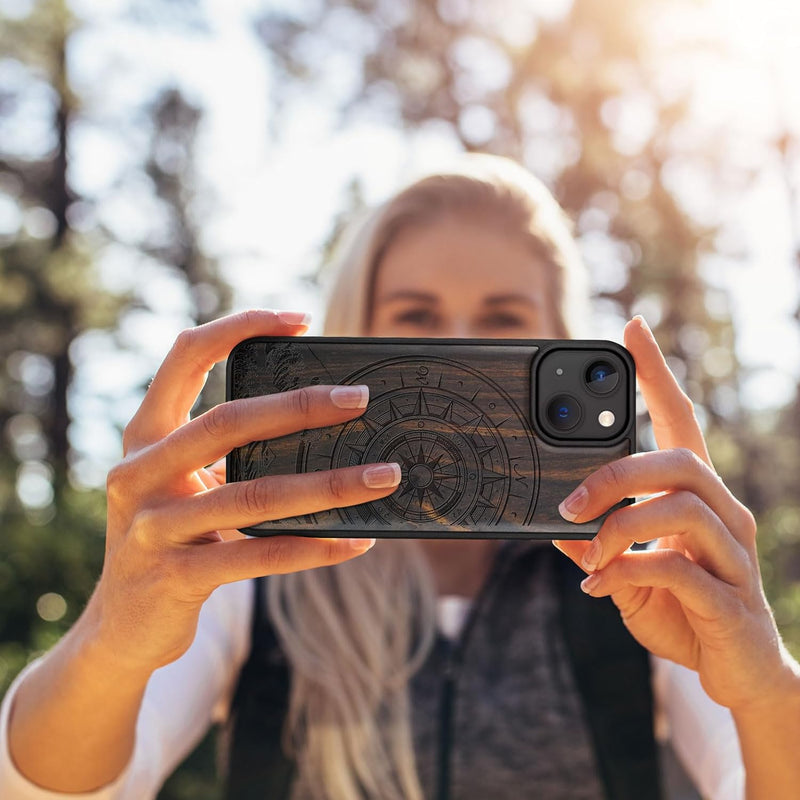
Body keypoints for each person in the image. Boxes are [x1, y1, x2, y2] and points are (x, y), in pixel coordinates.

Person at [1, 154, 799, 800]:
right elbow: (54, 789)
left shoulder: (636, 575)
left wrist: (765, 690)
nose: (457, 350)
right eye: (415, 317)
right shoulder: (251, 568)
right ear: (354, 336)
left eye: (502, 322)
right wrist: (114, 635)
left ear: (557, 339)